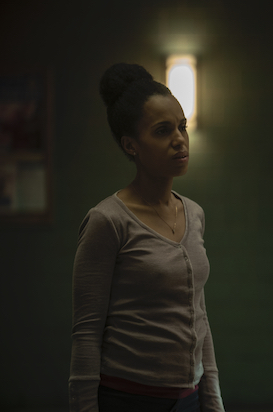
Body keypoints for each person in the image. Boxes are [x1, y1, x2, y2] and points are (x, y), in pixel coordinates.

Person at [69, 63, 225, 412]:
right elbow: (86, 333)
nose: (179, 139)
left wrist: (213, 401)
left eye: (182, 127)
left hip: (189, 398)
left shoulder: (194, 214)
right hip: (128, 399)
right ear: (131, 145)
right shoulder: (107, 221)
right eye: (162, 131)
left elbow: (199, 316)